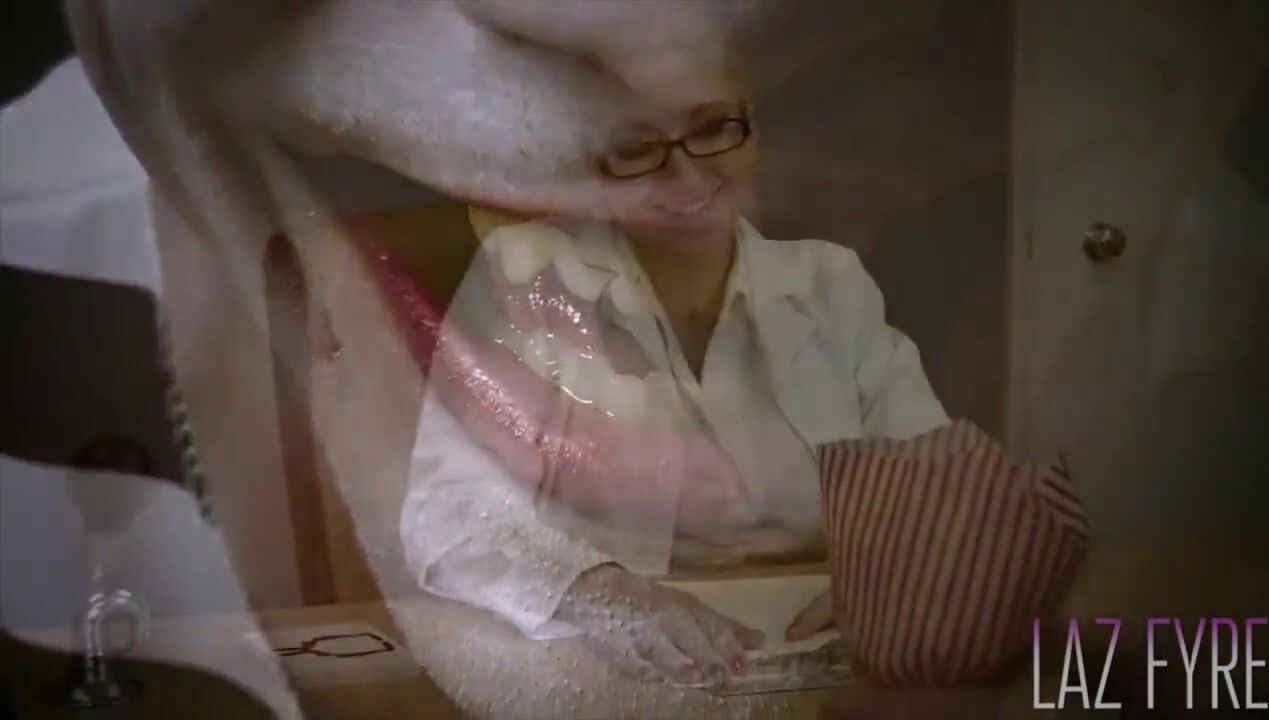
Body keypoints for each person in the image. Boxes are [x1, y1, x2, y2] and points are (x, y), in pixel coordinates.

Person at [399, 96, 951, 687]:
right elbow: (449, 515)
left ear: (752, 134)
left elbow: (941, 491)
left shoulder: (831, 283)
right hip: (606, 670)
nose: (684, 173)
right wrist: (598, 592)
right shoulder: (526, 277)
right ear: (592, 165)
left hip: (831, 669)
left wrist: (895, 576)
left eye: (711, 129)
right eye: (637, 148)